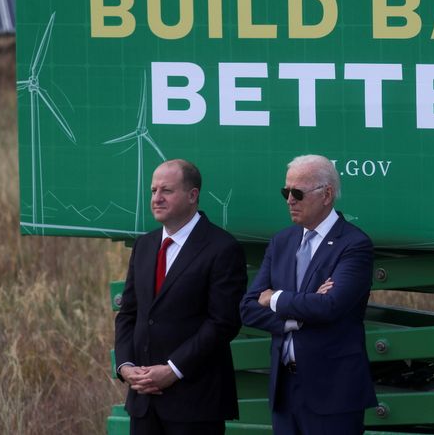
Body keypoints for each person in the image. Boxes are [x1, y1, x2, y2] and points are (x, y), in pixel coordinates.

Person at [240, 154, 377, 434]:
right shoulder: (282, 241)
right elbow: (248, 308)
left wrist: (275, 298)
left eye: (297, 193)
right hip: (285, 389)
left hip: (333, 392)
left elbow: (330, 305)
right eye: (285, 192)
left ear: (326, 194)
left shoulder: (354, 244)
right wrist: (296, 316)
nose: (290, 200)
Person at [115, 159, 247, 435]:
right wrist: (126, 366)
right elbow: (129, 313)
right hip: (144, 401)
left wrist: (173, 370)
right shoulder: (145, 245)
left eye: (167, 191)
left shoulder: (222, 248)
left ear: (192, 195)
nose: (157, 198)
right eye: (153, 191)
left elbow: (223, 322)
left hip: (195, 402)